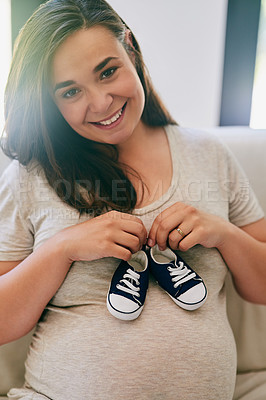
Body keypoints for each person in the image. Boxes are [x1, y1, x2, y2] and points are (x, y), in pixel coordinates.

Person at [0, 0, 266, 398]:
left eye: (107, 72)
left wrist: (224, 234)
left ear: (131, 50)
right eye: (71, 91)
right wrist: (61, 249)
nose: (101, 103)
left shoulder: (208, 154)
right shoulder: (31, 176)